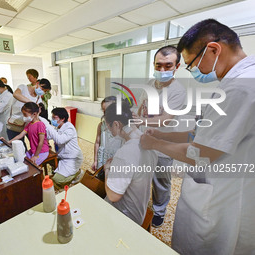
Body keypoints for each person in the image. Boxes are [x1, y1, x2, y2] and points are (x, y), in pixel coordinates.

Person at [140, 19, 255, 255]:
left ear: (213, 50)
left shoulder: (240, 89)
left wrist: (156, 142)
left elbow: (201, 153)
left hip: (223, 199)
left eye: (192, 64)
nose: (194, 72)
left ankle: (160, 211)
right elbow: (201, 132)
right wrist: (162, 135)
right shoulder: (231, 83)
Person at [135, 46, 186, 228]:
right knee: (142, 175)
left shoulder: (178, 91)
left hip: (164, 145)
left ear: (176, 66)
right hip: (145, 140)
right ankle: (141, 204)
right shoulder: (150, 83)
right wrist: (136, 117)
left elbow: (165, 120)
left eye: (167, 66)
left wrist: (140, 120)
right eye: (158, 66)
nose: (162, 70)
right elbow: (141, 104)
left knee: (161, 181)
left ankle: (159, 211)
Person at [103, 102, 157, 225]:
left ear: (116, 124)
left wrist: (107, 169)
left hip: (123, 218)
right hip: (139, 211)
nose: (109, 131)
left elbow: (113, 196)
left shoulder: (125, 153)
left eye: (109, 127)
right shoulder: (149, 142)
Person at [42, 108, 83, 189]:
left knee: (57, 180)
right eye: (52, 117)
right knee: (54, 170)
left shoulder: (69, 128)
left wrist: (48, 125)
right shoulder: (58, 127)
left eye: (55, 118)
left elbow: (59, 140)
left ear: (62, 118)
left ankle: (77, 173)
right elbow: (50, 135)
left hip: (72, 158)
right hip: (63, 157)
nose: (52, 119)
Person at [7, 78, 51, 145]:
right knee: (18, 148)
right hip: (14, 125)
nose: (42, 91)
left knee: (34, 145)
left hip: (28, 126)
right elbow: (16, 94)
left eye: (44, 91)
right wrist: (31, 103)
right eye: (42, 89)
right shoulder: (23, 87)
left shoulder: (38, 98)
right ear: (37, 83)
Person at [92, 96, 123, 173]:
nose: (106, 114)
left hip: (116, 160)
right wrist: (95, 161)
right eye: (104, 111)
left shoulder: (122, 126)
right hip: (102, 159)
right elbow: (97, 143)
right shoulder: (101, 125)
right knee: (102, 177)